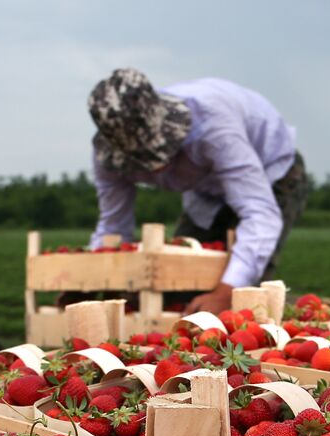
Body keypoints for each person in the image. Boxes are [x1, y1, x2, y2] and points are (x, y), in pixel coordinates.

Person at [86, 68, 310, 314]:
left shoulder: (213, 126)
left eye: (159, 153)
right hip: (204, 192)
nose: (158, 168)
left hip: (271, 175)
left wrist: (225, 293)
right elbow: (113, 227)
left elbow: (260, 215)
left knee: (242, 298)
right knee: (177, 286)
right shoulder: (108, 158)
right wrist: (89, 284)